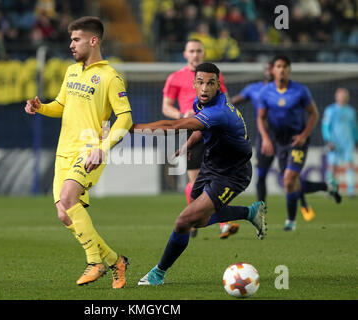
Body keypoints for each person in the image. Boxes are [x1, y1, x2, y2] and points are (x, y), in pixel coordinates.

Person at [133, 62, 267, 286]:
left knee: (183, 221)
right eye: (201, 82)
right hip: (211, 166)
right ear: (194, 84)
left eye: (211, 83)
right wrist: (188, 146)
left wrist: (133, 128)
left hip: (233, 174)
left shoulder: (219, 112)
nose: (205, 88)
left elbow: (174, 125)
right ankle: (249, 213)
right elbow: (200, 129)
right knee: (198, 222)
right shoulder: (202, 103)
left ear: (218, 86)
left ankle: (159, 272)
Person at [24, 16, 132, 289]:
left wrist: (102, 148)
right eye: (71, 39)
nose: (71, 45)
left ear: (93, 40)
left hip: (89, 151)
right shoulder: (71, 71)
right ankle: (115, 260)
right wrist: (41, 107)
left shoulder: (111, 77)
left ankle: (94, 261)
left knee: (68, 197)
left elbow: (125, 119)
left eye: (76, 39)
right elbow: (61, 104)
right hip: (64, 151)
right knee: (64, 213)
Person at [162, 39, 237, 239]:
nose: (195, 54)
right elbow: (166, 106)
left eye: (198, 51)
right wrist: (180, 115)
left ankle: (224, 224)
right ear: (185, 54)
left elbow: (225, 101)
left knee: (219, 178)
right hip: (191, 130)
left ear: (203, 54)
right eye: (191, 51)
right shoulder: (175, 78)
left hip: (213, 131)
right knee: (195, 182)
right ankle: (192, 218)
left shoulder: (214, 76)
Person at [257, 55, 341, 231]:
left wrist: (303, 135)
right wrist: (265, 138)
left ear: (289, 70)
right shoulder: (266, 92)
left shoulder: (300, 91)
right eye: (278, 66)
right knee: (291, 183)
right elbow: (260, 117)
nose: (282, 69)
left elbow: (314, 114)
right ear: (273, 70)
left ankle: (290, 222)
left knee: (288, 180)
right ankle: (327, 186)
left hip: (297, 141)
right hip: (279, 141)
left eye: (285, 66)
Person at [231, 62, 273, 203]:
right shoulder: (254, 89)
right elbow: (232, 102)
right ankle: (262, 208)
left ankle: (301, 204)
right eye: (267, 68)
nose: (269, 71)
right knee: (261, 175)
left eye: (271, 68)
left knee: (290, 175)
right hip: (264, 137)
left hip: (284, 137)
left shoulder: (287, 91)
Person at [322, 88, 357, 197]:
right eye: (340, 95)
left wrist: (356, 140)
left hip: (347, 143)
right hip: (334, 143)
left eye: (344, 95)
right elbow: (325, 127)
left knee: (349, 166)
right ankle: (330, 189)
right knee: (332, 167)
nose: (343, 97)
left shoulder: (351, 111)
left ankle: (351, 191)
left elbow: (354, 128)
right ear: (336, 97)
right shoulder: (330, 110)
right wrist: (328, 140)